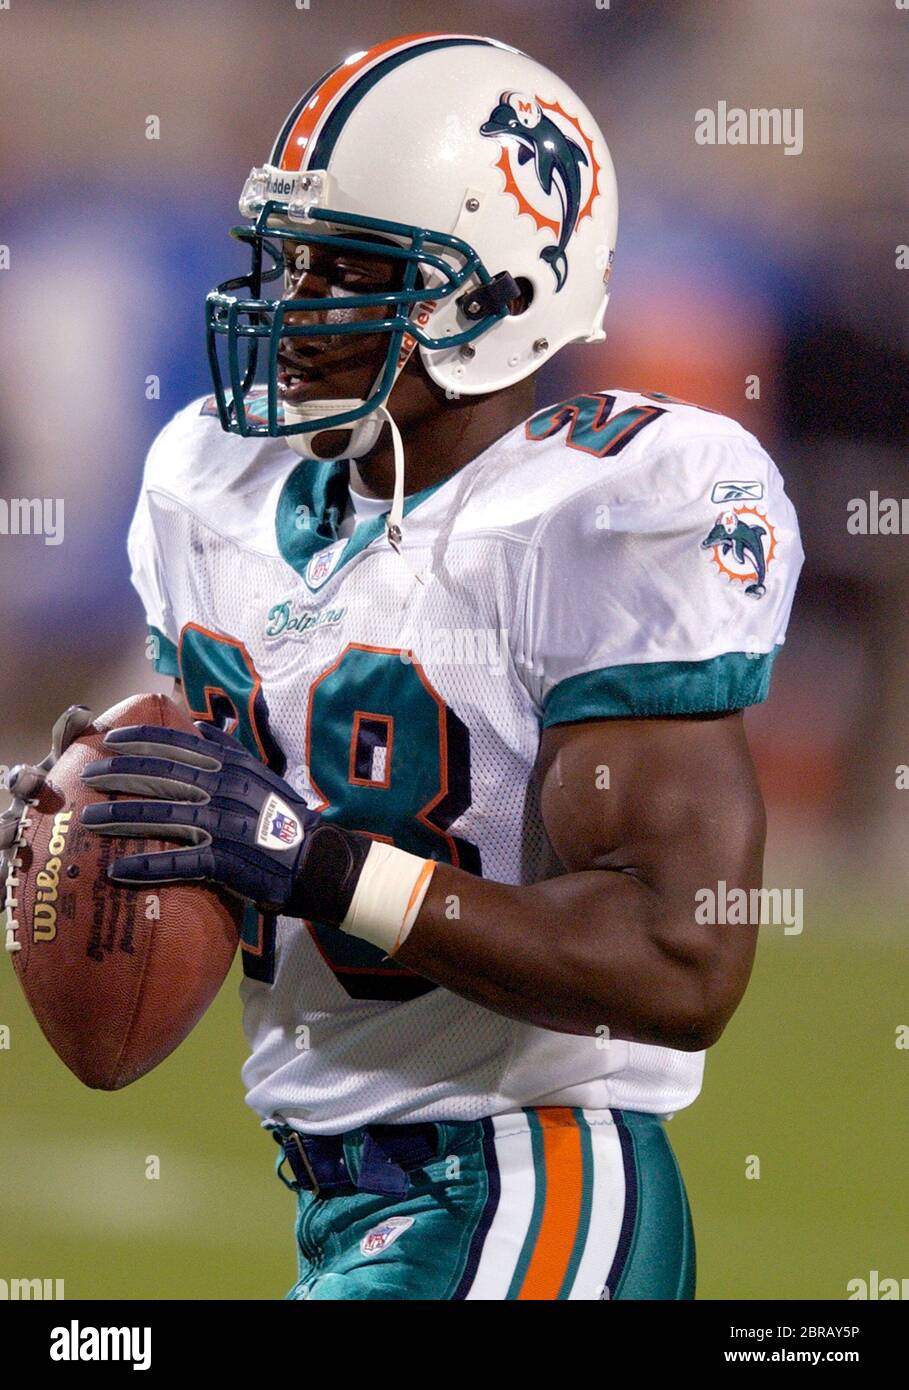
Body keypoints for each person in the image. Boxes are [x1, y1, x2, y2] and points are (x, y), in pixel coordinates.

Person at [36, 34, 808, 1298]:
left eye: (350, 272)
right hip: (344, 1201)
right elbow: (224, 804)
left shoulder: (607, 512)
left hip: (530, 1180)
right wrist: (104, 809)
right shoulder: (210, 482)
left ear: (499, 294)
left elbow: (684, 957)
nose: (292, 307)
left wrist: (321, 864)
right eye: (288, 260)